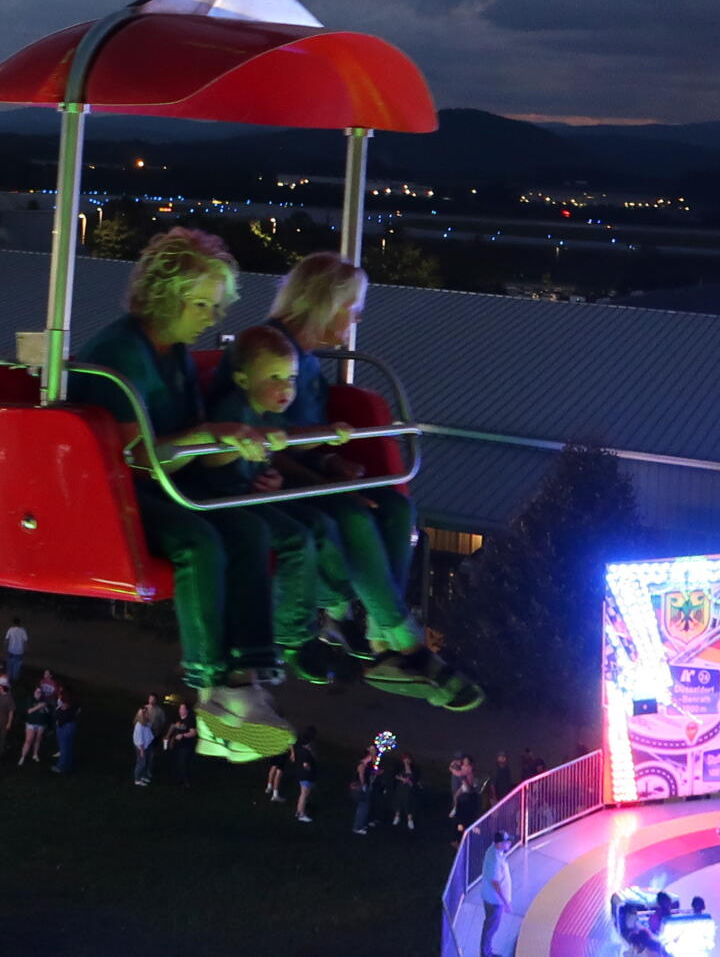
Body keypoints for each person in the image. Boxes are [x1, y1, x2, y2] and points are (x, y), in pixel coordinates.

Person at [70, 228, 309, 760]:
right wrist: (209, 436)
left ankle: (247, 677)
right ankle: (211, 688)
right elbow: (136, 458)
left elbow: (193, 445)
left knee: (248, 527)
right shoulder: (120, 355)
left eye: (217, 305)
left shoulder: (173, 353)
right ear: (163, 295)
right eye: (202, 304)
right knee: (199, 541)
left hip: (170, 482)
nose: (213, 317)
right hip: (118, 495)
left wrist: (244, 454)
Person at [240, 253, 480, 708]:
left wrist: (331, 463)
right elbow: (265, 441)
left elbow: (301, 437)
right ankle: (405, 644)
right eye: (351, 308)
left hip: (307, 477)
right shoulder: (270, 353)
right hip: (268, 484)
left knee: (397, 509)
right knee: (351, 515)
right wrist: (325, 476)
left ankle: (376, 631)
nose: (357, 319)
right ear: (324, 303)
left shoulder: (308, 363)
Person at [480, 830, 516, 955]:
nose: (510, 843)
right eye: (507, 841)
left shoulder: (496, 850)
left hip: (493, 899)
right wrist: (506, 902)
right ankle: (486, 954)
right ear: (500, 844)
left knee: (491, 927)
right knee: (491, 928)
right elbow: (495, 883)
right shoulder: (494, 859)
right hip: (494, 901)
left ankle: (487, 952)